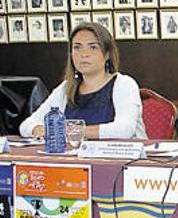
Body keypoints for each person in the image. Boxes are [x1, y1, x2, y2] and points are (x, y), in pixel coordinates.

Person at [19, 22, 147, 139]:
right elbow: (26, 125)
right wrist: (37, 129)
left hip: (120, 160)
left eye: (92, 47)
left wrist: (68, 131)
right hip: (75, 160)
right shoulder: (65, 88)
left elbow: (124, 130)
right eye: (77, 47)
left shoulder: (124, 84)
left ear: (107, 54)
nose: (84, 54)